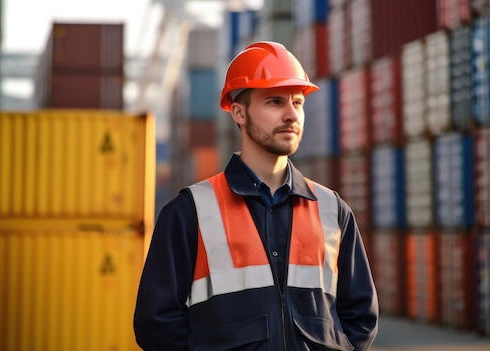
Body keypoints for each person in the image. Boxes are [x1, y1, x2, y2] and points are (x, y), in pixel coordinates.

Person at [133, 41, 379, 351]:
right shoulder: (189, 212)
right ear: (239, 112)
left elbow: (361, 317)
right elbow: (154, 324)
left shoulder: (332, 210)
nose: (292, 115)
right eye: (275, 102)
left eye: (298, 103)